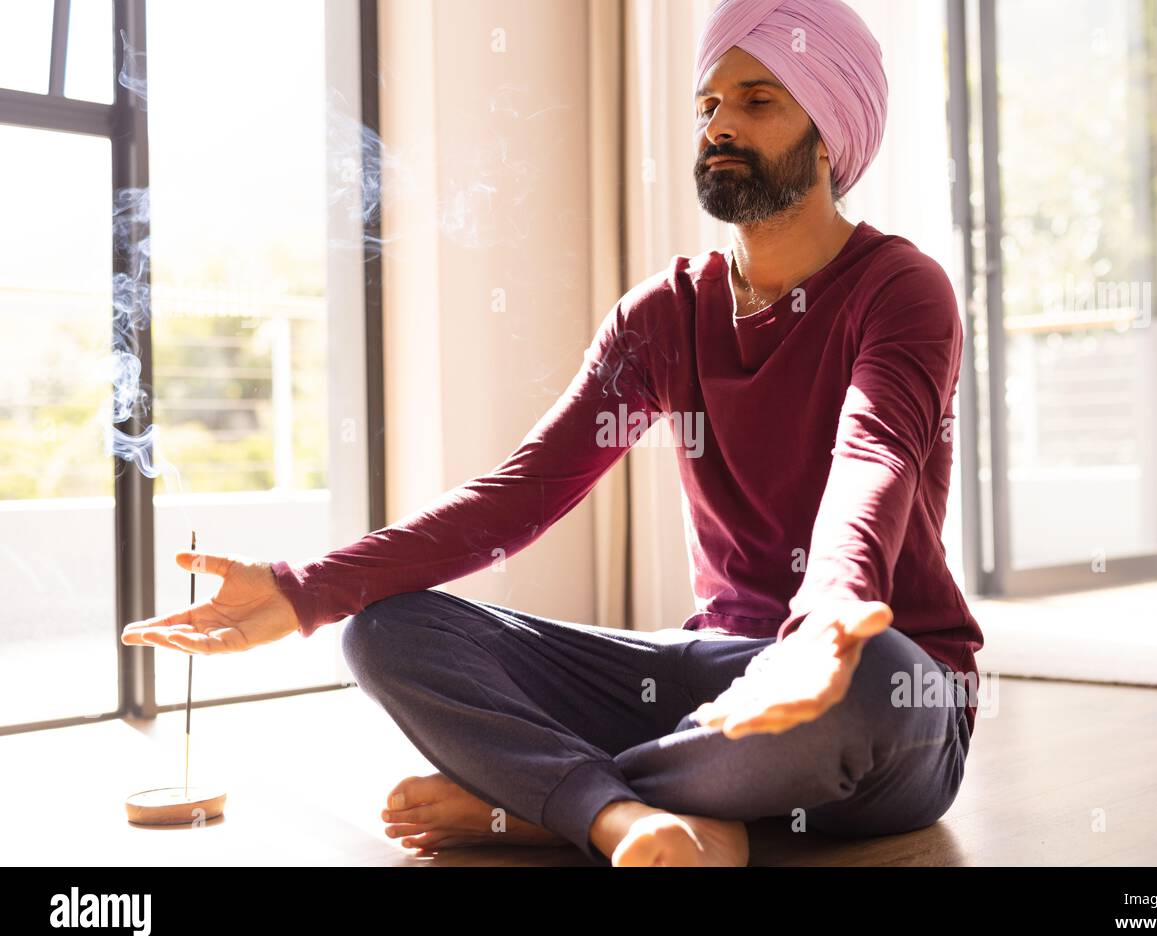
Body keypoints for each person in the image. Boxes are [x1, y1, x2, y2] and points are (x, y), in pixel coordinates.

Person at [121, 0, 983, 867]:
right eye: (708, 105)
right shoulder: (661, 314)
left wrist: (825, 623)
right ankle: (636, 815)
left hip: (884, 694)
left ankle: (555, 803)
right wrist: (303, 590)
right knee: (385, 632)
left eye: (757, 101)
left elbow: (872, 456)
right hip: (711, 676)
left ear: (830, 135)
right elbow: (517, 497)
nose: (718, 124)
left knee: (864, 682)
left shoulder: (902, 290)